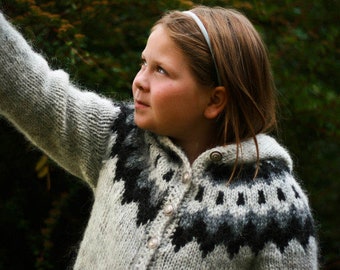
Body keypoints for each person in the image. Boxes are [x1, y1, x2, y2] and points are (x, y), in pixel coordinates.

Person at [0, 5, 318, 270]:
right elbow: (33, 90)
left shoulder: (277, 206)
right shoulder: (121, 139)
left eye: (161, 70)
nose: (139, 81)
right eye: (143, 63)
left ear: (214, 100)